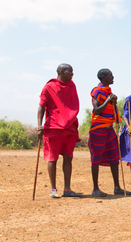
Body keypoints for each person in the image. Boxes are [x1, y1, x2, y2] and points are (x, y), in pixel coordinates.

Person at [37, 63, 83, 198]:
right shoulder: (49, 87)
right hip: (54, 127)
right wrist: (40, 126)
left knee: (68, 158)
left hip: (69, 127)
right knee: (52, 159)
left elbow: (72, 105)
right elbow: (41, 107)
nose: (72, 74)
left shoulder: (72, 85)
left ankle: (67, 189)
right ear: (61, 71)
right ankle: (53, 190)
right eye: (70, 72)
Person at [88, 69, 127, 197]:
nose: (113, 76)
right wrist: (108, 101)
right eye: (110, 75)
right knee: (96, 158)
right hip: (98, 129)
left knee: (114, 157)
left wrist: (113, 102)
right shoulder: (97, 91)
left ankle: (117, 187)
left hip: (110, 129)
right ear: (103, 77)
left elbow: (111, 109)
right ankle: (95, 189)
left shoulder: (109, 93)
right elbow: (97, 110)